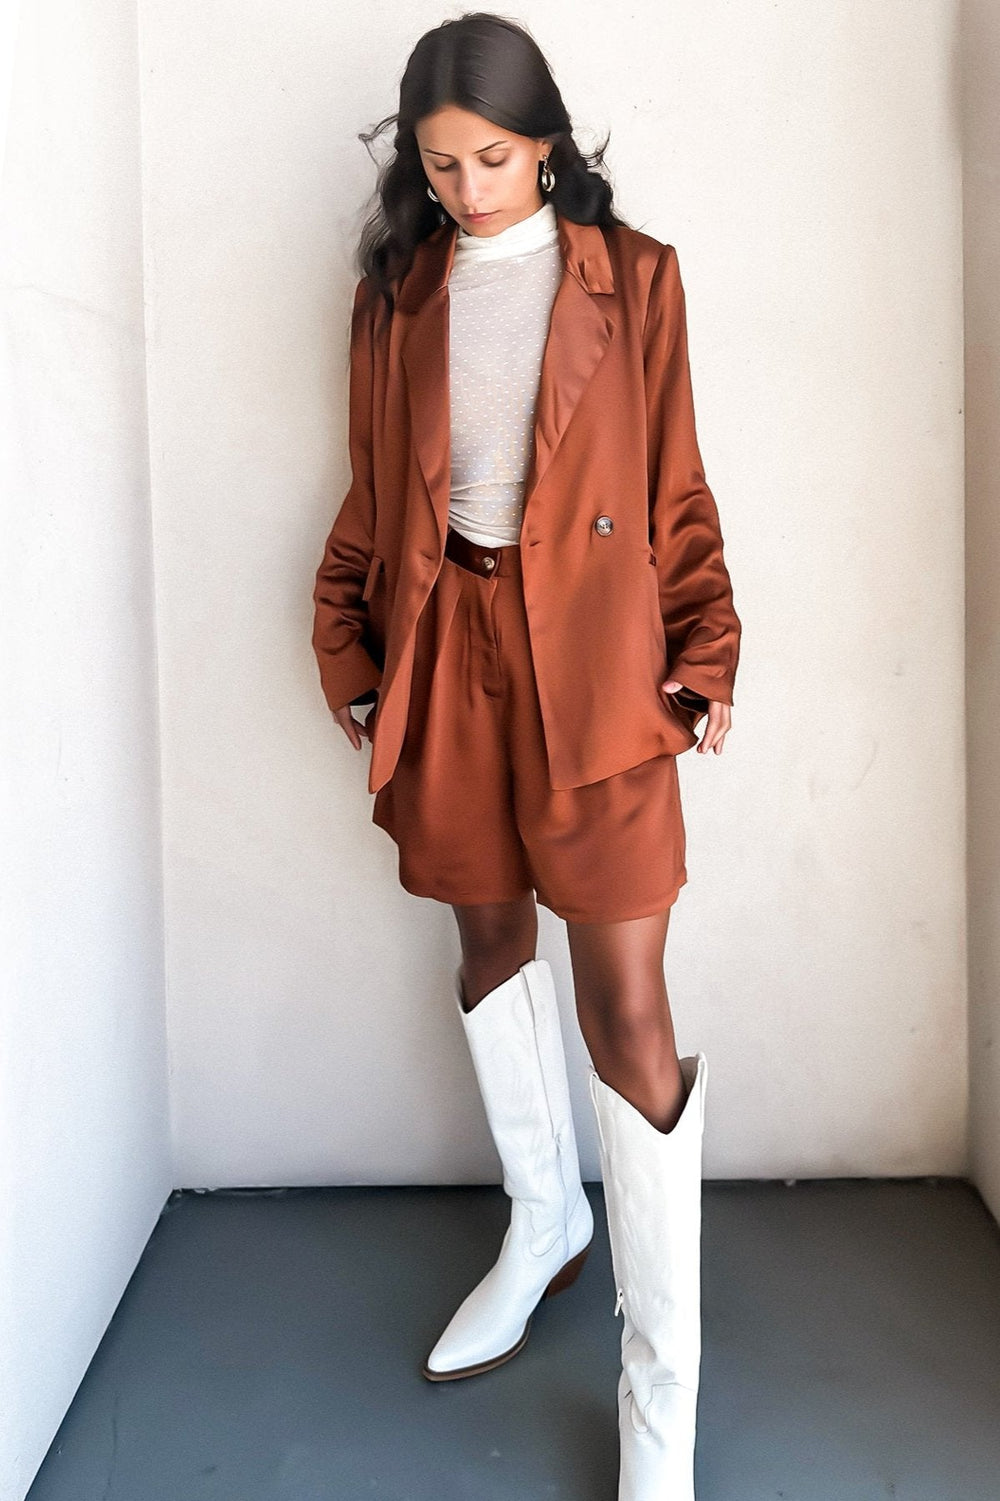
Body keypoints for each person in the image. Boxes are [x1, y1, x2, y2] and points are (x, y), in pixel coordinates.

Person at [311, 13, 741, 1499]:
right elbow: (371, 501)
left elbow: (677, 485)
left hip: (601, 663)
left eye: (491, 157)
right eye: (439, 165)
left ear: (544, 139)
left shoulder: (639, 279)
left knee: (629, 1007)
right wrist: (354, 658)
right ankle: (542, 1219)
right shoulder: (396, 293)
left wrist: (706, 649)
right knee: (489, 944)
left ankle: (659, 1401)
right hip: (449, 654)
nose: (468, 188)